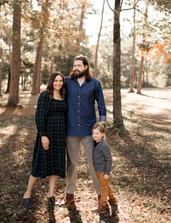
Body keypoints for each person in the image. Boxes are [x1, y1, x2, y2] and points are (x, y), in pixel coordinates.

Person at [64, 55, 107, 206]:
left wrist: (101, 126)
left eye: (79, 66)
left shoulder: (95, 83)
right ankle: (69, 194)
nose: (76, 68)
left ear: (86, 67)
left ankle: (101, 194)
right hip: (70, 130)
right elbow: (53, 89)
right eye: (74, 65)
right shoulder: (67, 82)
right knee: (72, 164)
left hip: (89, 131)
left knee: (94, 163)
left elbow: (101, 105)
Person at [23, 72, 66, 209]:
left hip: (60, 135)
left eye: (60, 81)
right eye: (56, 80)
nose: (58, 83)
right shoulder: (45, 96)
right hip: (47, 135)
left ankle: (51, 193)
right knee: (39, 165)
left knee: (55, 165)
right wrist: (43, 135)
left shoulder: (64, 96)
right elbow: (39, 116)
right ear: (51, 82)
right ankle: (27, 192)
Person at [92, 122, 118, 215]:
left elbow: (109, 159)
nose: (94, 135)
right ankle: (112, 199)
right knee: (105, 185)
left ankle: (102, 205)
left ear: (102, 134)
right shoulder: (95, 143)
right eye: (93, 133)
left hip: (103, 171)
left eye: (97, 133)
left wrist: (107, 173)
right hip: (98, 170)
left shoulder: (104, 145)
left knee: (103, 188)